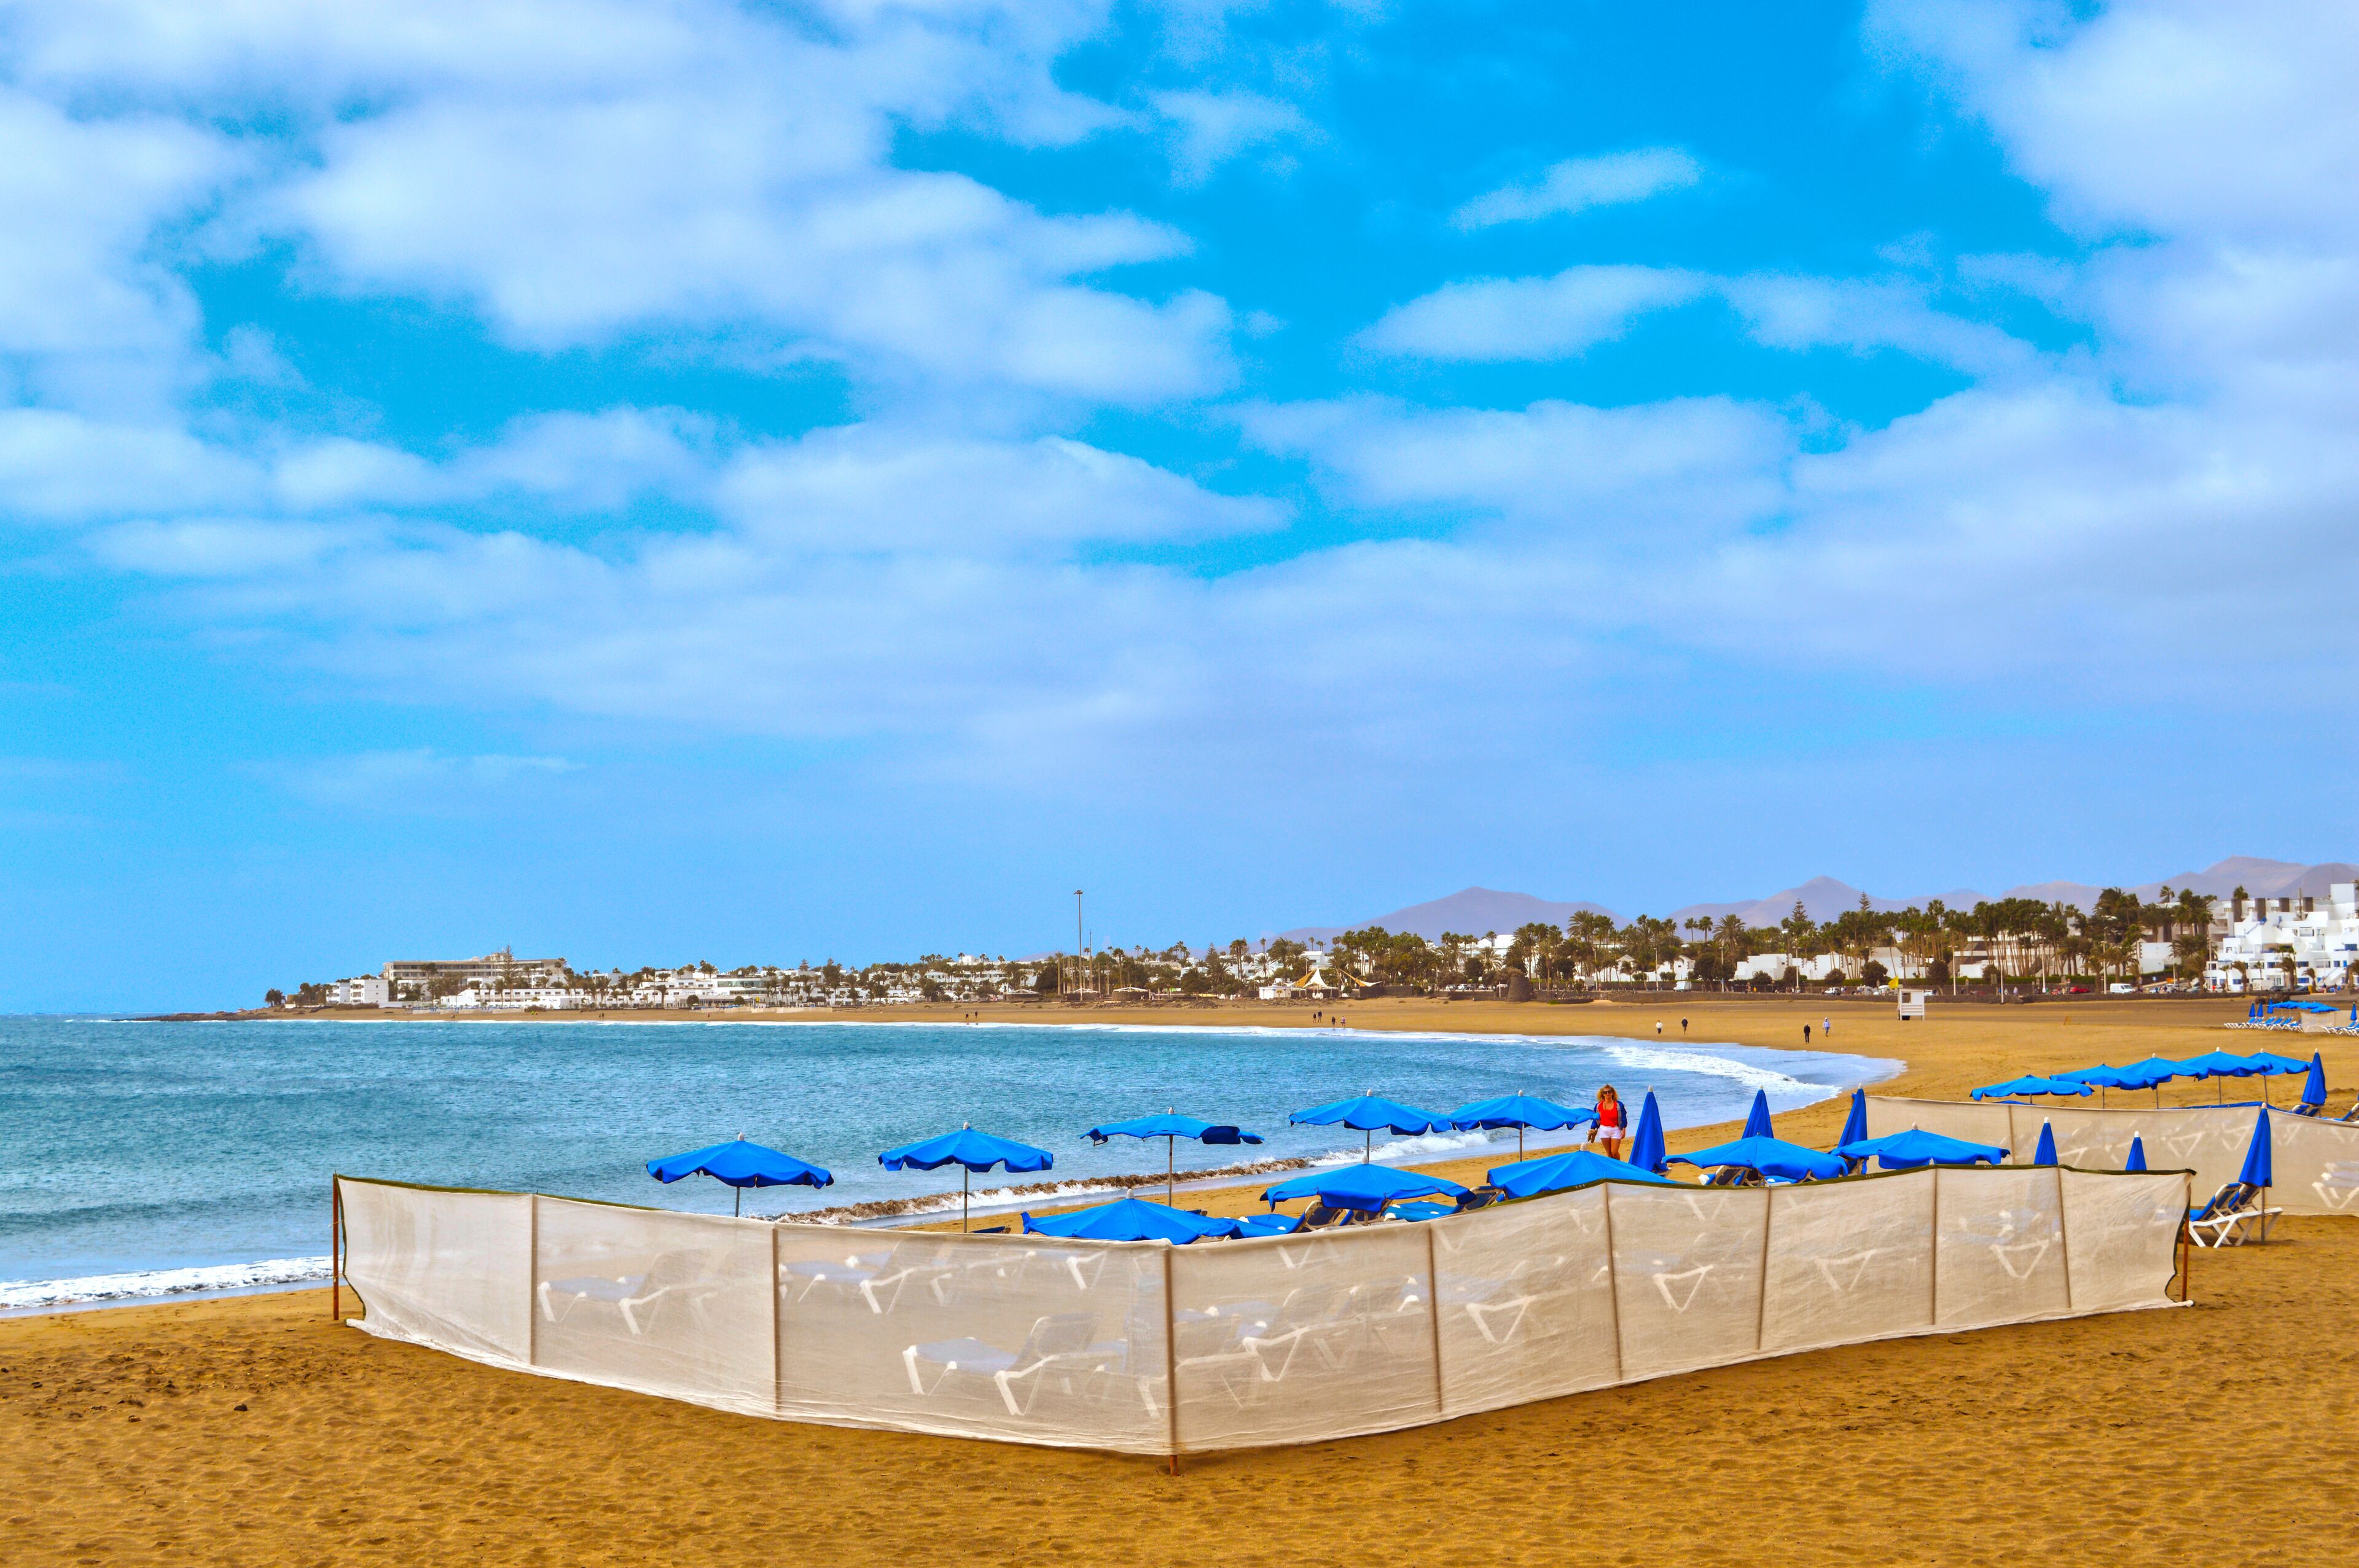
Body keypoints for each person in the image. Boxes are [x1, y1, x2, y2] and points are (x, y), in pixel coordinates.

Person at [1588, 1086, 1629, 1160]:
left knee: (1614, 1152)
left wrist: (1624, 1129)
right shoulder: (1598, 1106)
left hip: (1616, 1130)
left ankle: (1618, 1166)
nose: (1607, 1093)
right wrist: (1593, 1128)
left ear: (1612, 1093)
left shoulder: (1619, 1105)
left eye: (1609, 1092)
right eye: (1605, 1092)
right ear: (1603, 1094)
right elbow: (1595, 1118)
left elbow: (1623, 1118)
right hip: (1604, 1130)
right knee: (1609, 1153)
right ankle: (1612, 1170)